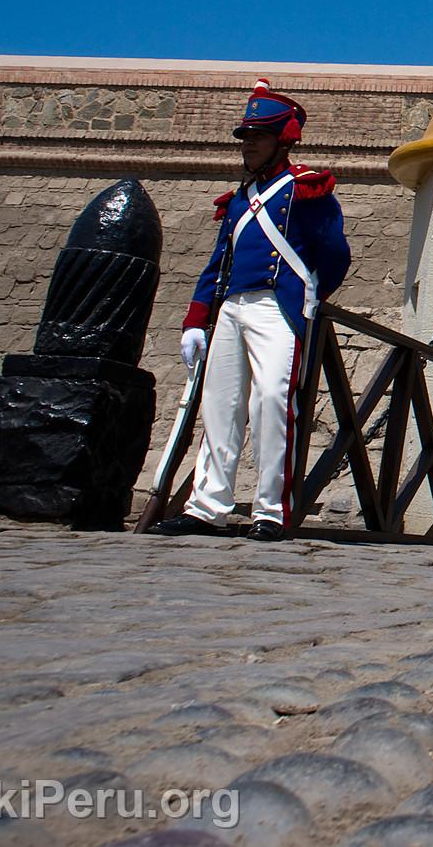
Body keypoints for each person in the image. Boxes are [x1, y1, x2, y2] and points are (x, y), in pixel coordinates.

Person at [153, 80, 350, 542]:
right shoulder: (240, 199)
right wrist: (196, 320)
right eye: (246, 138)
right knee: (219, 406)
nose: (248, 146)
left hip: (277, 307)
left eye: (258, 137)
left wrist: (309, 295)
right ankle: (207, 507)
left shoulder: (306, 189)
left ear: (283, 140)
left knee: (271, 403)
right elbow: (218, 261)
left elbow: (334, 254)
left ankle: (271, 510)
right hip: (232, 307)